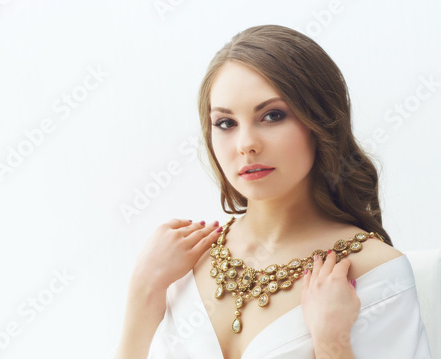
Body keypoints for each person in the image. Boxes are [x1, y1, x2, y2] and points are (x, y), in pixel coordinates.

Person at [113, 25, 432, 358]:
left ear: (319, 123)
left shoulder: (373, 271)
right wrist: (144, 292)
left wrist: (332, 343)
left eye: (272, 116)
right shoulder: (180, 262)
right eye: (226, 123)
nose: (246, 144)